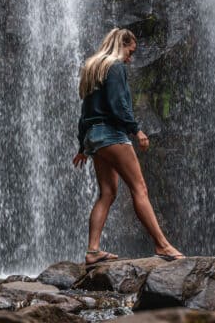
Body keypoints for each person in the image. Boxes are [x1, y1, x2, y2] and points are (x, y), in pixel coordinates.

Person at [73, 27, 185, 265]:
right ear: (120, 45)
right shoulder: (115, 68)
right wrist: (136, 130)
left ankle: (93, 251)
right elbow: (118, 104)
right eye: (130, 51)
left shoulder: (93, 68)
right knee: (139, 188)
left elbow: (85, 113)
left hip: (94, 137)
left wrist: (82, 146)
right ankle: (162, 245)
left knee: (107, 193)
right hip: (112, 135)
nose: (130, 58)